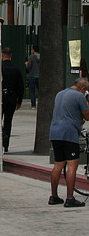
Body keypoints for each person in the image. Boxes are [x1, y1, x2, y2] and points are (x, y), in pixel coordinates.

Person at [49, 77, 89, 208]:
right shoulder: (79, 96)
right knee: (72, 165)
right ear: (82, 88)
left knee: (58, 165)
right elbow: (87, 116)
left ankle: (54, 196)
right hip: (69, 133)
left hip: (55, 132)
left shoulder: (60, 94)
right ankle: (70, 198)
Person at [1, 47, 24, 153]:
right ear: (11, 55)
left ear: (2, 55)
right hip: (12, 97)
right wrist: (19, 100)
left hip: (1, 96)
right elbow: (20, 86)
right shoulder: (16, 68)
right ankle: (6, 142)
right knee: (8, 120)